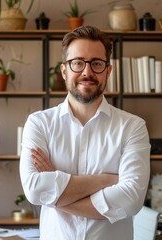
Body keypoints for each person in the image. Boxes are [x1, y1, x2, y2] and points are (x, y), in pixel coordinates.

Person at [19, 25, 150, 240]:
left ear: (107, 71)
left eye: (96, 64)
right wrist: (105, 180)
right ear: (64, 71)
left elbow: (131, 199)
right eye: (77, 63)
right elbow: (34, 190)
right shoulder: (39, 123)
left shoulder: (132, 127)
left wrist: (56, 189)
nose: (87, 72)